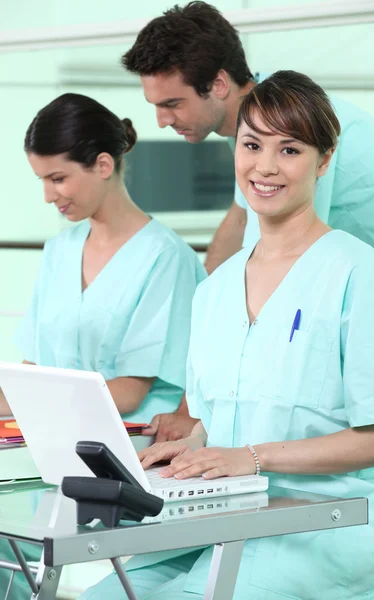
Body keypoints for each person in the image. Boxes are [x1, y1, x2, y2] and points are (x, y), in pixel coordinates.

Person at [82, 70, 374, 600]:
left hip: (325, 528)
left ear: (324, 161)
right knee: (105, 595)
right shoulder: (217, 288)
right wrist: (187, 450)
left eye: (290, 149)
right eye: (252, 145)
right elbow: (225, 414)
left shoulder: (356, 273)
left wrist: (252, 457)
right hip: (223, 514)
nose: (266, 166)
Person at [121, 0, 374, 442]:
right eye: (251, 147)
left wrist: (192, 413)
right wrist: (206, 303)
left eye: (173, 102)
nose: (162, 119)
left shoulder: (298, 130)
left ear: (218, 84)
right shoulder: (261, 128)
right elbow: (235, 232)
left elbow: (269, 265)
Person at [0, 92, 206, 599]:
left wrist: (30, 407)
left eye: (58, 178)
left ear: (103, 164)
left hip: (126, 466)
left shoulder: (167, 258)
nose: (50, 196)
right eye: (42, 181)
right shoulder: (58, 250)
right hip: (47, 448)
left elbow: (131, 391)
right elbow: (33, 369)